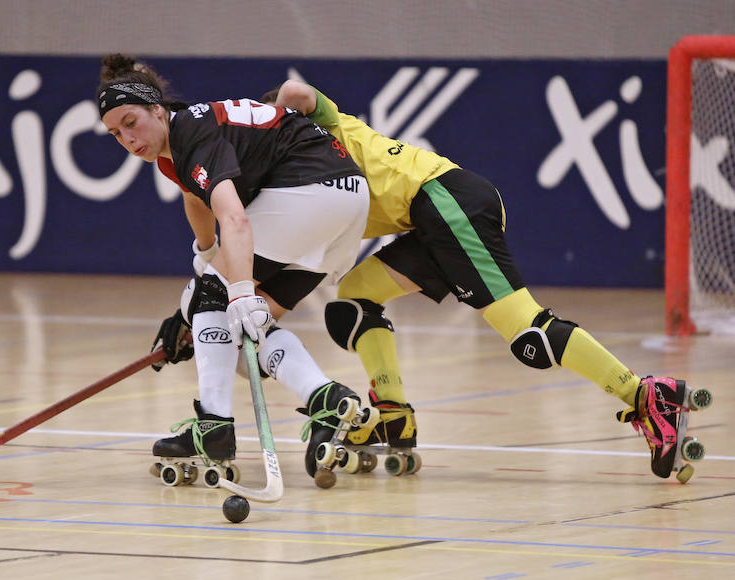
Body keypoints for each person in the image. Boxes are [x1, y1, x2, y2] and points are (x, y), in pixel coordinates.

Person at [266, 80, 712, 483]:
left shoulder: (320, 125)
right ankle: (393, 413)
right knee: (354, 301)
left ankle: (647, 395)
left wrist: (275, 118)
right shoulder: (294, 180)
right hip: (429, 218)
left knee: (529, 333)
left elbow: (295, 91)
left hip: (443, 198)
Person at [96, 55, 372, 485]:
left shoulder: (192, 131)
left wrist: (231, 290)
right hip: (347, 202)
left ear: (157, 110)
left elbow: (235, 220)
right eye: (116, 134)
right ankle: (325, 398)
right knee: (241, 340)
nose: (128, 140)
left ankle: (214, 427)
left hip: (309, 194)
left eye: (131, 123)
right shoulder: (180, 143)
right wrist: (205, 261)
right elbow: (195, 198)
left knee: (214, 299)